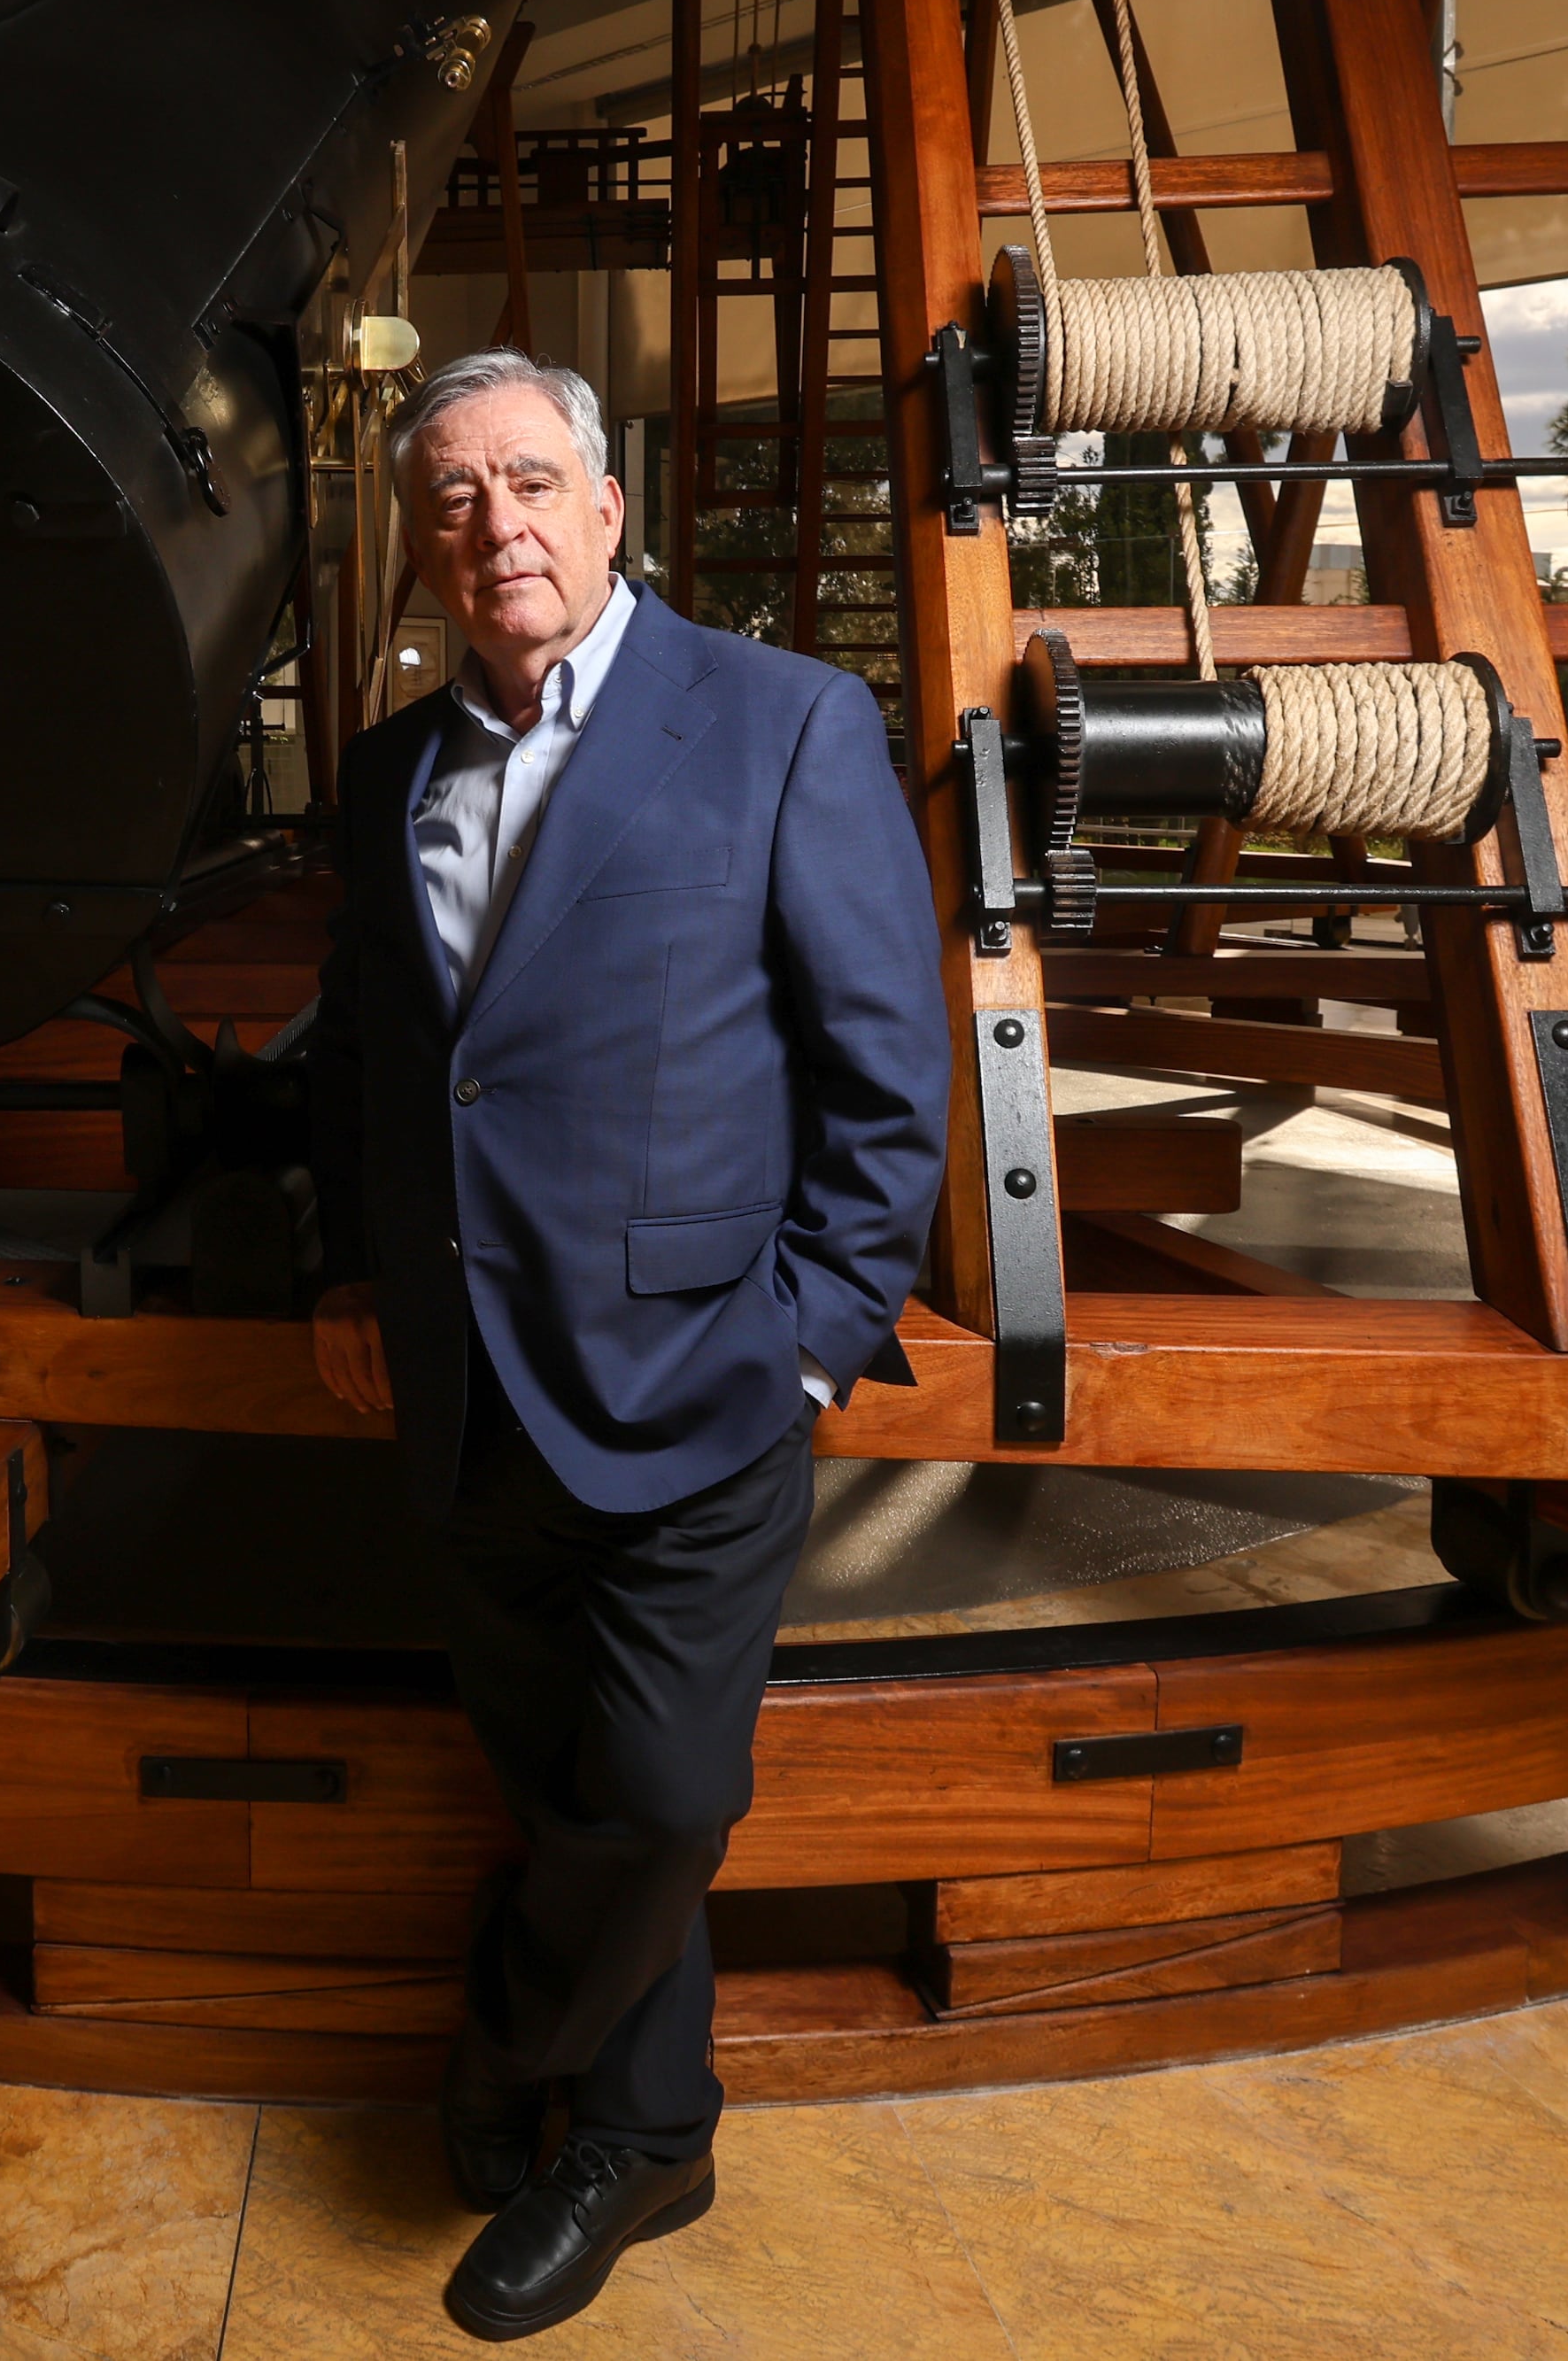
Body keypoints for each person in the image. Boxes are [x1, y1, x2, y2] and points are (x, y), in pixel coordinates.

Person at [305, 347, 947, 2341]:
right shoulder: (385, 767)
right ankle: (649, 2130)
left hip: (701, 1379)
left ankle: (510, 2050)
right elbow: (379, 1065)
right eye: (450, 497)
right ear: (419, 548)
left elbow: (884, 1069)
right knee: (562, 1778)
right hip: (464, 1379)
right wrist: (348, 1275)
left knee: (662, 1791)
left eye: (527, 480)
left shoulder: (779, 721)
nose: (493, 522)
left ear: (607, 504)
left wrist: (815, 1337)